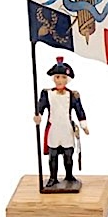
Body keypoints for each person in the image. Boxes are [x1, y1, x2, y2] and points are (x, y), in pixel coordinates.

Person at [35, 57, 89, 188]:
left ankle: (69, 175)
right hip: (54, 129)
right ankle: (53, 177)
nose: (60, 80)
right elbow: (40, 106)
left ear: (67, 79)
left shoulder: (72, 95)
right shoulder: (47, 94)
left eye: (63, 77)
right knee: (53, 155)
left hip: (67, 129)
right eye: (57, 77)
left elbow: (79, 110)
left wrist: (84, 125)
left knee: (68, 155)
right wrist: (38, 115)